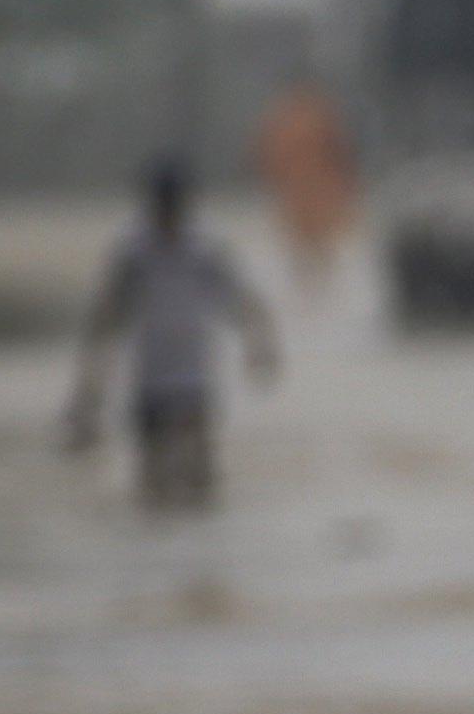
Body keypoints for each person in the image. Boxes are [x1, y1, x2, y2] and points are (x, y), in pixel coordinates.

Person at [65, 154, 280, 509]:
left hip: (194, 381)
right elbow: (104, 322)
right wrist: (87, 397)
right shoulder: (133, 251)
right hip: (151, 383)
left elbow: (244, 301)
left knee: (199, 485)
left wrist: (261, 346)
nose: (168, 213)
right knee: (154, 489)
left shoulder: (206, 247)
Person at [251, 81, 361, 287]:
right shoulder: (248, 260)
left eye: (310, 153)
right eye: (288, 159)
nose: (300, 173)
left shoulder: (378, 253)